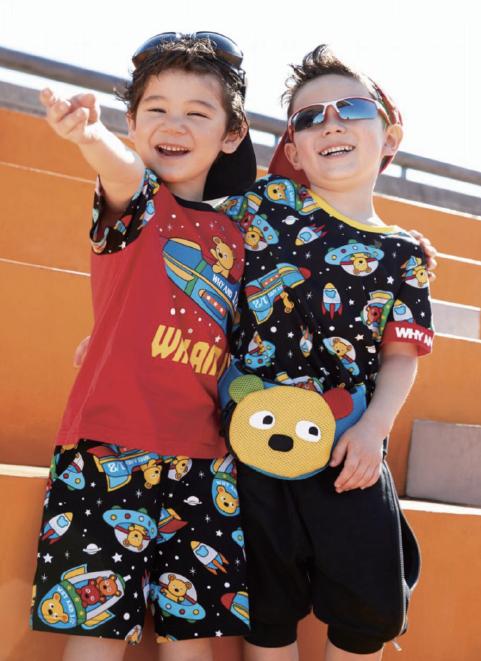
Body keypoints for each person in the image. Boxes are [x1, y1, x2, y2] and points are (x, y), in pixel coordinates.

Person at [30, 32, 257, 661]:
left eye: (197, 112)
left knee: (195, 642)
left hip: (207, 464)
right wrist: (89, 137)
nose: (174, 124)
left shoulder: (243, 232)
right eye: (156, 108)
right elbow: (120, 169)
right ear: (131, 122)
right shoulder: (140, 203)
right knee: (95, 636)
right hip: (107, 451)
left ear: (232, 134)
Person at [219, 44, 434, 661]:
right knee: (265, 608)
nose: (331, 123)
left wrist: (373, 431)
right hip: (250, 437)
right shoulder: (262, 206)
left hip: (349, 444)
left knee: (368, 608)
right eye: (309, 118)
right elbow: (185, 239)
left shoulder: (406, 255)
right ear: (293, 148)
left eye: (352, 109)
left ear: (389, 136)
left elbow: (401, 355)